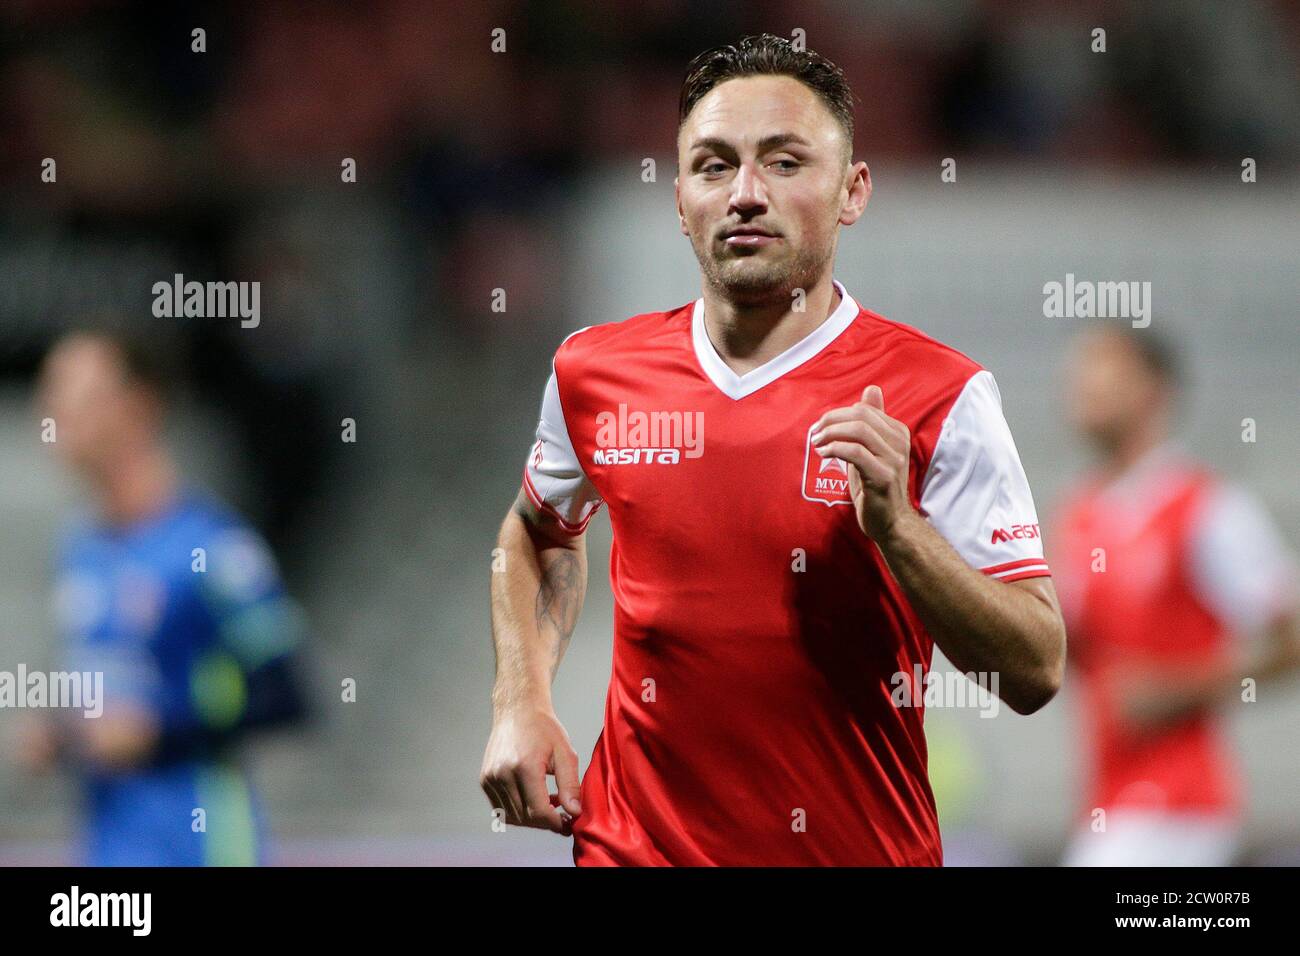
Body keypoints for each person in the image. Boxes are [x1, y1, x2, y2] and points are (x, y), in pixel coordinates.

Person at [481, 34, 1066, 866]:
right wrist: (520, 701)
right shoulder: (592, 371)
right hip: (627, 848)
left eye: (786, 163)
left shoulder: (941, 394)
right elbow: (539, 532)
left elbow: (1035, 671)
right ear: (680, 199)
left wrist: (901, 531)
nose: (745, 194)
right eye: (714, 166)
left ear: (852, 191)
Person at [18, 329, 310, 866]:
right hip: (111, 856)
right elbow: (120, 696)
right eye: (50, 392)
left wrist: (160, 734)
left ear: (139, 406)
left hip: (201, 849)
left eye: (76, 394)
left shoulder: (212, 547)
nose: (53, 411)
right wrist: (62, 736)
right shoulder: (80, 551)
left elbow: (287, 694)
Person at [1053, 321, 1300, 866]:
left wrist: (1177, 690)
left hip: (1178, 806)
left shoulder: (1207, 508)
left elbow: (1290, 644)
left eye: (1103, 369)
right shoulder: (1082, 515)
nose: (1082, 385)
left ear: (1154, 390)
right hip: (1106, 797)